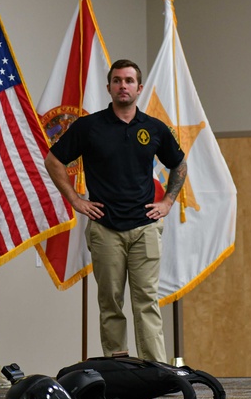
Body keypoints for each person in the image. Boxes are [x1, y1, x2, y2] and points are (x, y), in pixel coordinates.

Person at [45, 59, 187, 363]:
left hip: (145, 228)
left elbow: (179, 164)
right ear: (109, 87)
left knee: (146, 302)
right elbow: (53, 160)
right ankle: (119, 368)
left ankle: (155, 371)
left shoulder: (154, 128)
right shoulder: (89, 127)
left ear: (139, 88)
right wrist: (75, 199)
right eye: (118, 80)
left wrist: (167, 202)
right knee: (110, 302)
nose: (123, 86)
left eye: (129, 80)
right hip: (105, 228)